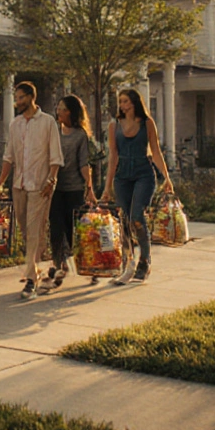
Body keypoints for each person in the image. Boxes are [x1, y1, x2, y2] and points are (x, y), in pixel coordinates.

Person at [0, 81, 64, 300]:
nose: (17, 102)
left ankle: (31, 281)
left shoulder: (48, 123)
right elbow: (9, 156)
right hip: (19, 185)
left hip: (40, 186)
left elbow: (55, 156)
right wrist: (0, 182)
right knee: (26, 231)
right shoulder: (15, 124)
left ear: (31, 98)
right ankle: (37, 267)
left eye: (21, 98)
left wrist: (51, 180)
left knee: (35, 230)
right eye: (16, 98)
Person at [100, 88, 174, 285]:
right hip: (122, 176)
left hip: (143, 174)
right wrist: (107, 188)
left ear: (134, 103)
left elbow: (156, 152)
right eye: (120, 102)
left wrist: (167, 178)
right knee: (124, 221)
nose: (122, 105)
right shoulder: (114, 126)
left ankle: (144, 261)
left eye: (125, 101)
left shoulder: (147, 123)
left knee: (136, 217)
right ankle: (128, 265)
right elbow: (113, 157)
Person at [39, 94, 98, 294]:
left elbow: (83, 163)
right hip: (55, 188)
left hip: (74, 189)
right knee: (56, 228)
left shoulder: (80, 135)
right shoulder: (54, 131)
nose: (58, 111)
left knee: (75, 231)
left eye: (62, 108)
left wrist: (89, 188)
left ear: (71, 112)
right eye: (58, 108)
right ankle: (58, 264)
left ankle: (89, 266)